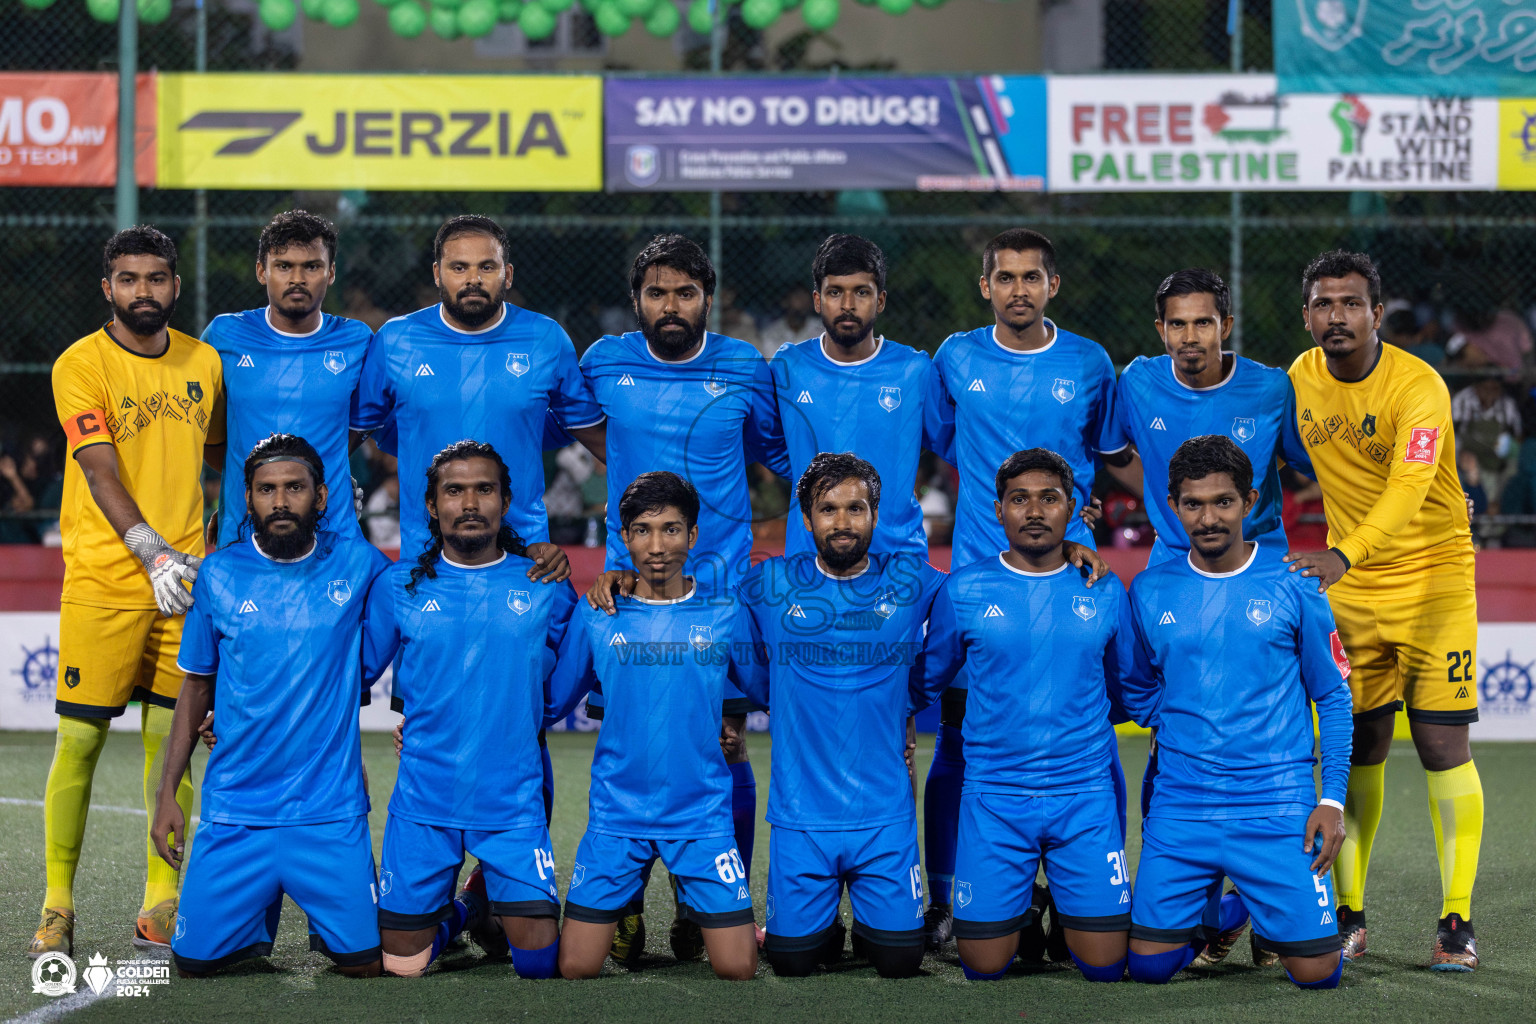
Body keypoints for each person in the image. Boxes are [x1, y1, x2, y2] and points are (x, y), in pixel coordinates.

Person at [579, 235, 785, 960]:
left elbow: (773, 454)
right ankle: (624, 902)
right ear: (638, 298)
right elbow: (592, 440)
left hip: (721, 598)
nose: (673, 306)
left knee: (729, 749)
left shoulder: (743, 367)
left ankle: (709, 905)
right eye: (659, 292)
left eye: (687, 293)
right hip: (627, 599)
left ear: (708, 297)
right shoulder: (602, 362)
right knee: (629, 743)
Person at [923, 228, 1121, 949]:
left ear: (1053, 285)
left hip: (1073, 573)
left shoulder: (1091, 363)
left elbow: (1099, 462)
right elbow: (947, 442)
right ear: (986, 287)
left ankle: (1092, 890)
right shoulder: (956, 356)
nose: (1018, 290)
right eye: (1004, 278)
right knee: (959, 737)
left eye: (1031, 277)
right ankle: (948, 898)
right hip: (981, 579)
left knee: (1089, 739)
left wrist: (1083, 519)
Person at [1286, 250, 1483, 971]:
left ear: (1376, 312)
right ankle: (1350, 915)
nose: (1337, 316)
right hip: (1357, 592)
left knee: (1439, 747)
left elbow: (1408, 486)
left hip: (1433, 579)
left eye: (1351, 303)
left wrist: (1346, 551)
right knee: (1359, 745)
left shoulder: (1418, 385)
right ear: (1306, 314)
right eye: (1323, 304)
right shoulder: (1299, 381)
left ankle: (1456, 920)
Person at [32, 226, 226, 957]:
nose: (143, 291)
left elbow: (221, 457)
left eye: (156, 279)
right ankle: (56, 906)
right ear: (107, 288)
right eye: (128, 279)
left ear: (176, 286)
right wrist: (150, 552)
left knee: (170, 743)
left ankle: (160, 902)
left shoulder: (203, 361)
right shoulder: (81, 363)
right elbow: (100, 468)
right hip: (106, 584)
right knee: (79, 741)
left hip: (186, 591)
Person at [151, 434, 390, 977]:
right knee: (194, 965)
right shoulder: (219, 574)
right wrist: (168, 793)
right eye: (266, 490)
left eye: (294, 488)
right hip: (237, 810)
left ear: (322, 497)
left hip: (329, 813)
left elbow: (430, 594)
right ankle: (255, 912)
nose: (280, 501)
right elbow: (196, 688)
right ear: (249, 499)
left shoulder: (362, 566)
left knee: (366, 965)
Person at [1125, 435, 1351, 989]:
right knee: (1149, 970)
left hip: (1276, 804)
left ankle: (1257, 898)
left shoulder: (1294, 581)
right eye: (1194, 504)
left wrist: (1331, 799)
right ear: (1173, 505)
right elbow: (1135, 688)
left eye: (1223, 501)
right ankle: (1228, 911)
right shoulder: (1150, 589)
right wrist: (1183, 723)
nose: (1208, 518)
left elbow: (1334, 695)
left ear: (1249, 501)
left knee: (1317, 974)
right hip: (1183, 805)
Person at [916, 448, 1144, 983]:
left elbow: (1127, 689)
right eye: (1019, 499)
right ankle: (1027, 902)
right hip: (996, 798)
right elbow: (925, 681)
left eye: (1049, 499)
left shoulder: (1105, 587)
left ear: (1073, 509)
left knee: (1105, 966)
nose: (1034, 510)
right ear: (998, 510)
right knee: (983, 966)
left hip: (1082, 796)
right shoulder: (965, 589)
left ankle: (1056, 898)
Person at [363, 441, 577, 980]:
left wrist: (520, 721)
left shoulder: (544, 582)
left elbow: (565, 671)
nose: (470, 502)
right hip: (424, 799)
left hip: (510, 802)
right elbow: (353, 675)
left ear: (506, 501)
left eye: (484, 489)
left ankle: (485, 897)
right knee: (401, 966)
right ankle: (466, 912)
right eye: (454, 491)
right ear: (432, 506)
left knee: (540, 966)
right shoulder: (399, 585)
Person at [733, 453, 944, 978]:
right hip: (802, 815)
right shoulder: (771, 583)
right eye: (828, 509)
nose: (842, 522)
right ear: (806, 520)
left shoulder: (913, 580)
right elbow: (734, 647)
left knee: (900, 961)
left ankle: (870, 924)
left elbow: (962, 618)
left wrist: (906, 698)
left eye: (856, 508)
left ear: (875, 516)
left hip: (884, 816)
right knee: (791, 962)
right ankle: (820, 927)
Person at [553, 473, 759, 982]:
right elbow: (552, 699)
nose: (657, 545)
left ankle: (691, 905)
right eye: (642, 531)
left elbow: (774, 691)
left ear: (692, 535)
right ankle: (627, 902)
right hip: (617, 812)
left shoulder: (725, 611)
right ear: (624, 538)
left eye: (671, 530)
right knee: (576, 967)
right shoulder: (599, 611)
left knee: (737, 968)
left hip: (701, 813)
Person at [350, 214, 601, 574]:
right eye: (459, 267)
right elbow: (352, 435)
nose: (473, 279)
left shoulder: (545, 338)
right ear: (437, 274)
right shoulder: (395, 340)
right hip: (425, 556)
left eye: (487, 266)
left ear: (507, 274)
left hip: (525, 558)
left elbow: (599, 439)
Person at [1101, 268, 1313, 566]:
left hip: (1259, 559)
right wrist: (1167, 497)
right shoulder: (1138, 382)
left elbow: (1300, 461)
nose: (1189, 337)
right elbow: (1113, 452)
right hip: (1173, 561)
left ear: (1225, 326)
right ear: (1161, 329)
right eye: (1177, 324)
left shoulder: (1271, 388)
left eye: (1202, 323)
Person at [769, 235, 952, 560]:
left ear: (880, 300)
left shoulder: (914, 370)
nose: (848, 304)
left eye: (861, 292)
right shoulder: (789, 366)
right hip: (810, 559)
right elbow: (764, 441)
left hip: (897, 562)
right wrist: (804, 469)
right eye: (835, 292)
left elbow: (954, 445)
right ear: (817, 299)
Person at [204, 210, 373, 548]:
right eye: (284, 266)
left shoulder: (358, 341)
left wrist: (328, 473)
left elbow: (365, 421)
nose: (298, 278)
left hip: (333, 533)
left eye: (312, 266)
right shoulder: (224, 335)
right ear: (261, 271)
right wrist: (248, 486)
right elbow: (206, 433)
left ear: (331, 272)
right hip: (244, 531)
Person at [756, 284, 814, 358]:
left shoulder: (822, 330)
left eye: (806, 298)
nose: (803, 302)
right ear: (785, 302)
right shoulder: (770, 334)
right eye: (798, 297)